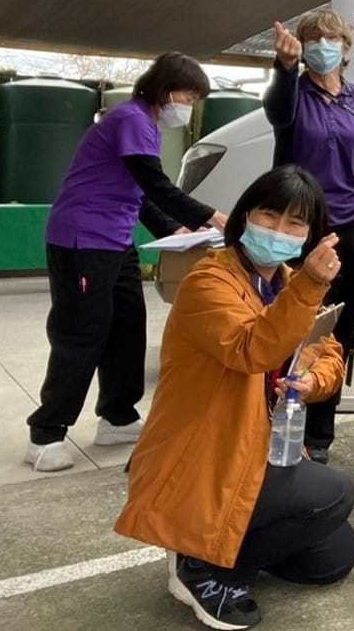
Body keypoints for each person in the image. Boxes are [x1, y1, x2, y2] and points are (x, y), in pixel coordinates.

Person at [115, 166, 354, 631]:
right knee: (336, 494)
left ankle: (222, 544)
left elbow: (329, 355)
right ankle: (200, 566)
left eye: (295, 224)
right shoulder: (210, 282)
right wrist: (309, 286)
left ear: (309, 234)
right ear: (244, 216)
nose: (279, 231)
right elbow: (252, 349)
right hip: (209, 453)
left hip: (263, 444)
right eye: (269, 216)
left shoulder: (287, 282)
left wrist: (309, 380)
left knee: (332, 558)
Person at [26, 53, 227, 473]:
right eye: (189, 95)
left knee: (127, 327)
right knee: (82, 332)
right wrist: (210, 217)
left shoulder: (146, 125)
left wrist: (173, 230)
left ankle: (117, 415)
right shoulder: (131, 119)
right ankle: (45, 433)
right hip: (82, 239)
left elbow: (142, 195)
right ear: (165, 87)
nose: (189, 104)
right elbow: (156, 183)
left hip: (115, 242)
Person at [264, 11, 354, 463]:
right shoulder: (293, 93)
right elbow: (277, 114)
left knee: (340, 329)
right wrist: (283, 68)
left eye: (329, 37)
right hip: (302, 230)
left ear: (346, 47)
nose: (321, 45)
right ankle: (277, 417)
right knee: (294, 325)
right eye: (312, 38)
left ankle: (320, 434)